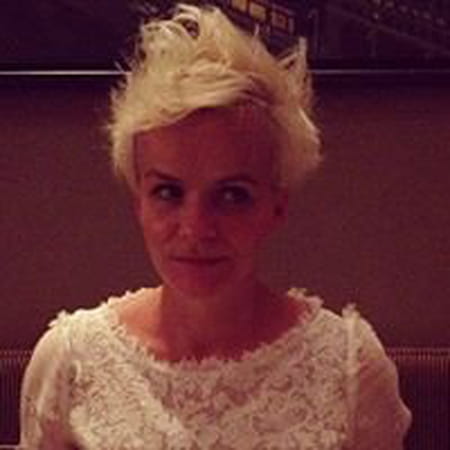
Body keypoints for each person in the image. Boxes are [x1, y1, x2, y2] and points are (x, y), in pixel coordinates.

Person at [19, 3, 411, 449]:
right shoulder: (69, 362)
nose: (196, 228)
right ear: (138, 203)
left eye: (232, 195)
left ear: (276, 207)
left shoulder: (350, 370)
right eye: (168, 192)